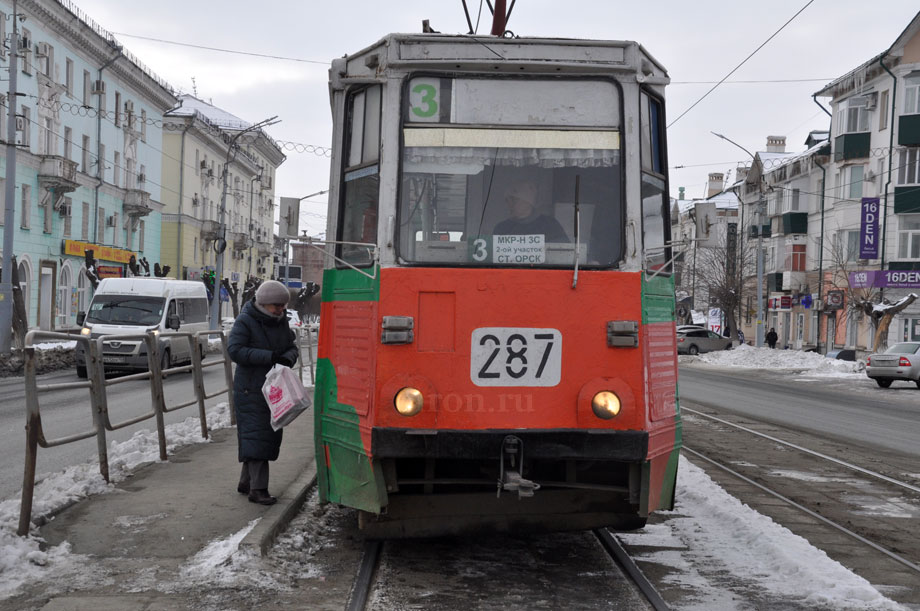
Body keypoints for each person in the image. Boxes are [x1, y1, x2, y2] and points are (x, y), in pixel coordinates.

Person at [227, 280, 299, 506]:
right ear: (263, 303)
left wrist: (287, 358)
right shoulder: (245, 320)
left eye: (283, 305)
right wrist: (268, 357)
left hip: (274, 387)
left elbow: (291, 347)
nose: (280, 309)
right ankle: (258, 490)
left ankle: (246, 482)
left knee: (261, 435)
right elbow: (235, 351)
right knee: (258, 435)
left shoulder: (280, 322)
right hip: (250, 388)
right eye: (276, 305)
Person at [493, 181, 568, 242]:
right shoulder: (502, 228)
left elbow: (563, 252)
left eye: (514, 200)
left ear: (528, 202)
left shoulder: (550, 225)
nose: (509, 205)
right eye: (507, 201)